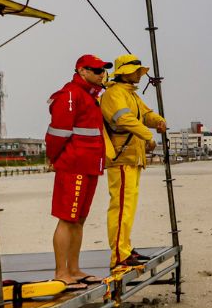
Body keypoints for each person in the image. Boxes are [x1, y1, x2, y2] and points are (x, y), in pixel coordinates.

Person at [45, 54, 112, 289]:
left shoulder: (90, 97)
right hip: (73, 166)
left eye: (102, 70)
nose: (101, 74)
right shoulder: (70, 95)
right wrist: (54, 159)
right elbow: (57, 134)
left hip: (89, 166)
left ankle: (73, 268)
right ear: (82, 71)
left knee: (79, 220)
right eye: (95, 70)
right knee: (67, 218)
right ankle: (61, 272)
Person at [100, 54, 167, 270]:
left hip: (132, 158)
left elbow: (144, 114)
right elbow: (124, 119)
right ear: (125, 72)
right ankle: (119, 254)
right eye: (135, 71)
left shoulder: (130, 94)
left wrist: (158, 121)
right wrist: (148, 135)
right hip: (121, 157)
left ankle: (125, 248)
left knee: (127, 207)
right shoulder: (113, 94)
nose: (139, 75)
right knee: (121, 207)